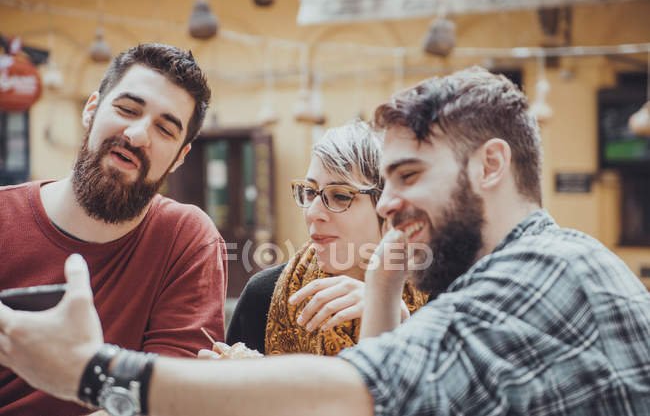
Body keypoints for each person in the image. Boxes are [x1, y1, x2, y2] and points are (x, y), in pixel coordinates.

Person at [1, 66, 650, 416]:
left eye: (408, 176)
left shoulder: (544, 272)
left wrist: (90, 371)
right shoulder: (519, 270)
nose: (389, 202)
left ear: (490, 167)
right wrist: (386, 287)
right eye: (310, 192)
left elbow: (357, 395)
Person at [0, 44, 227, 416]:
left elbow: (170, 404)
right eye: (127, 109)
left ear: (179, 158)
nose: (138, 135)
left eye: (165, 129)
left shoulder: (185, 240)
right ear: (92, 109)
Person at [224, 121, 427, 355]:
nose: (313, 213)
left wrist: (390, 311)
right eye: (310, 192)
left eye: (340, 196)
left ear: (391, 204)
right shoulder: (263, 296)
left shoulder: (443, 293)